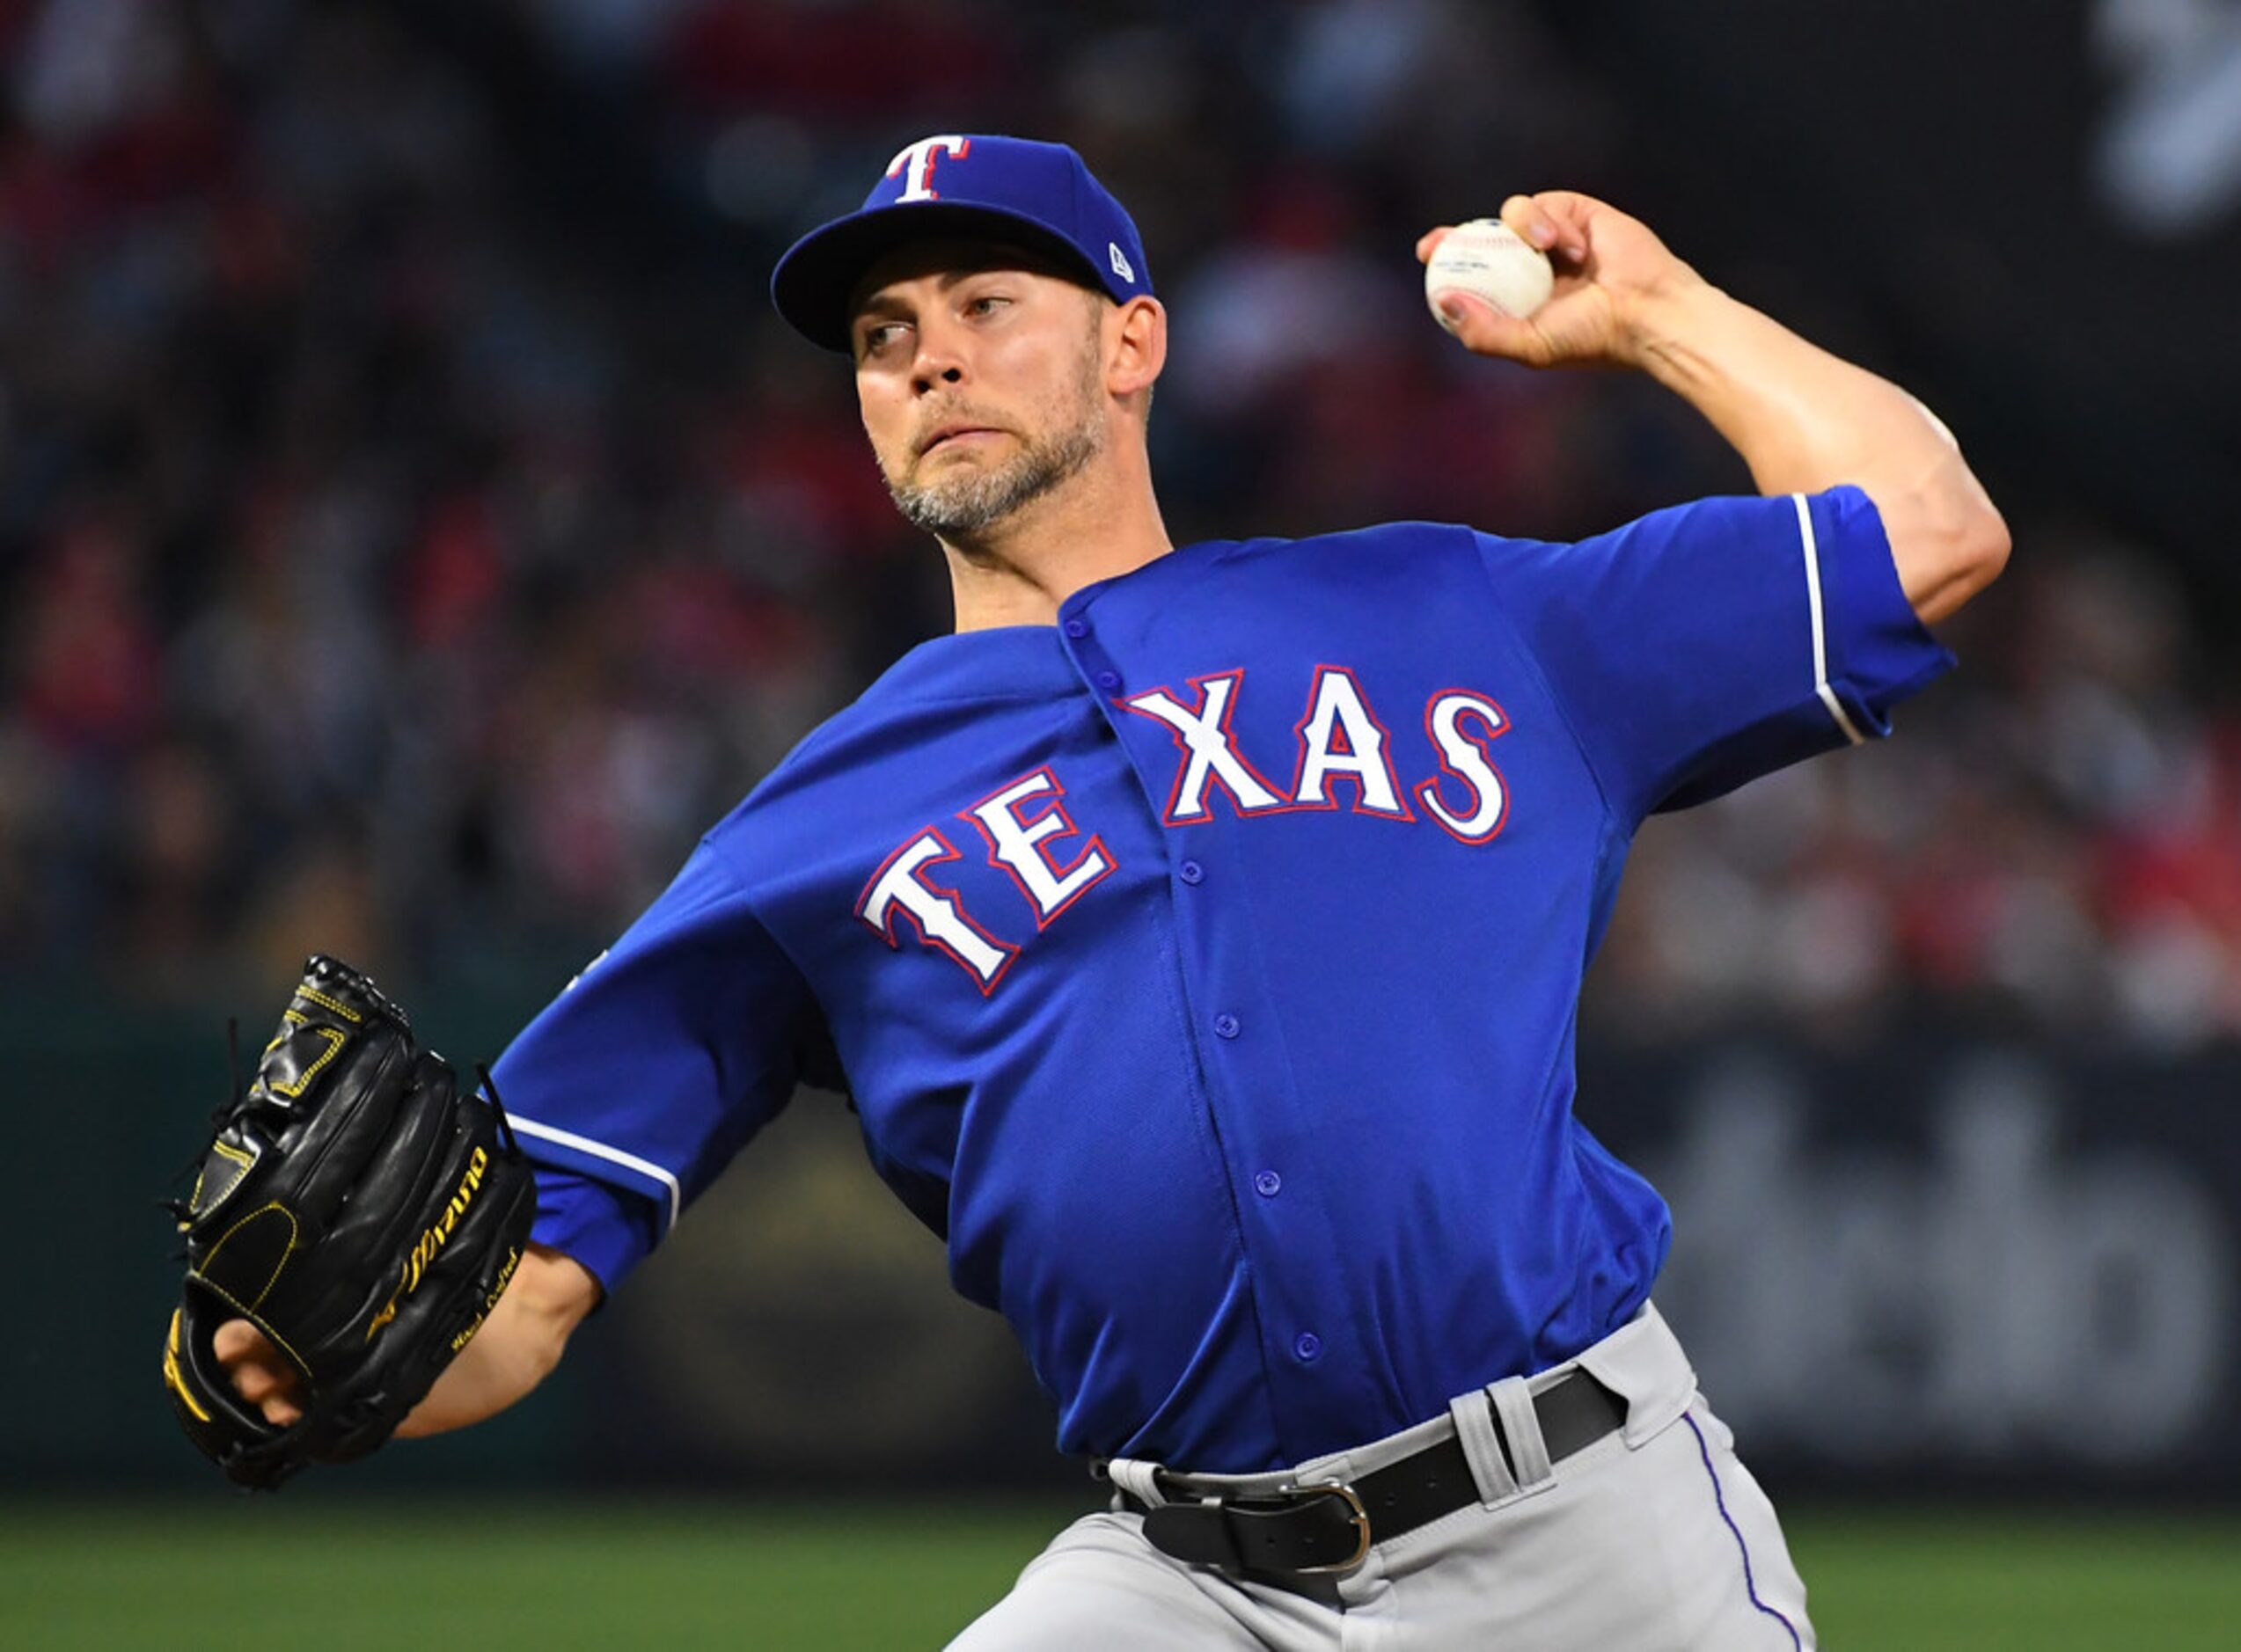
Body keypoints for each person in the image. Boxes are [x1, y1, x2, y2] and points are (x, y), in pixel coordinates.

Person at [216, 135, 2007, 1648]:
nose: (929, 361)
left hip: (1576, 1537)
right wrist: (298, 1384)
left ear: (1133, 341)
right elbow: (518, 1288)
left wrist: (1656, 318)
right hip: (1181, 1582)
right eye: (880, 334)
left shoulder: (1455, 613)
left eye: (988, 306)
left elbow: (1925, 532)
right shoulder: (803, 836)